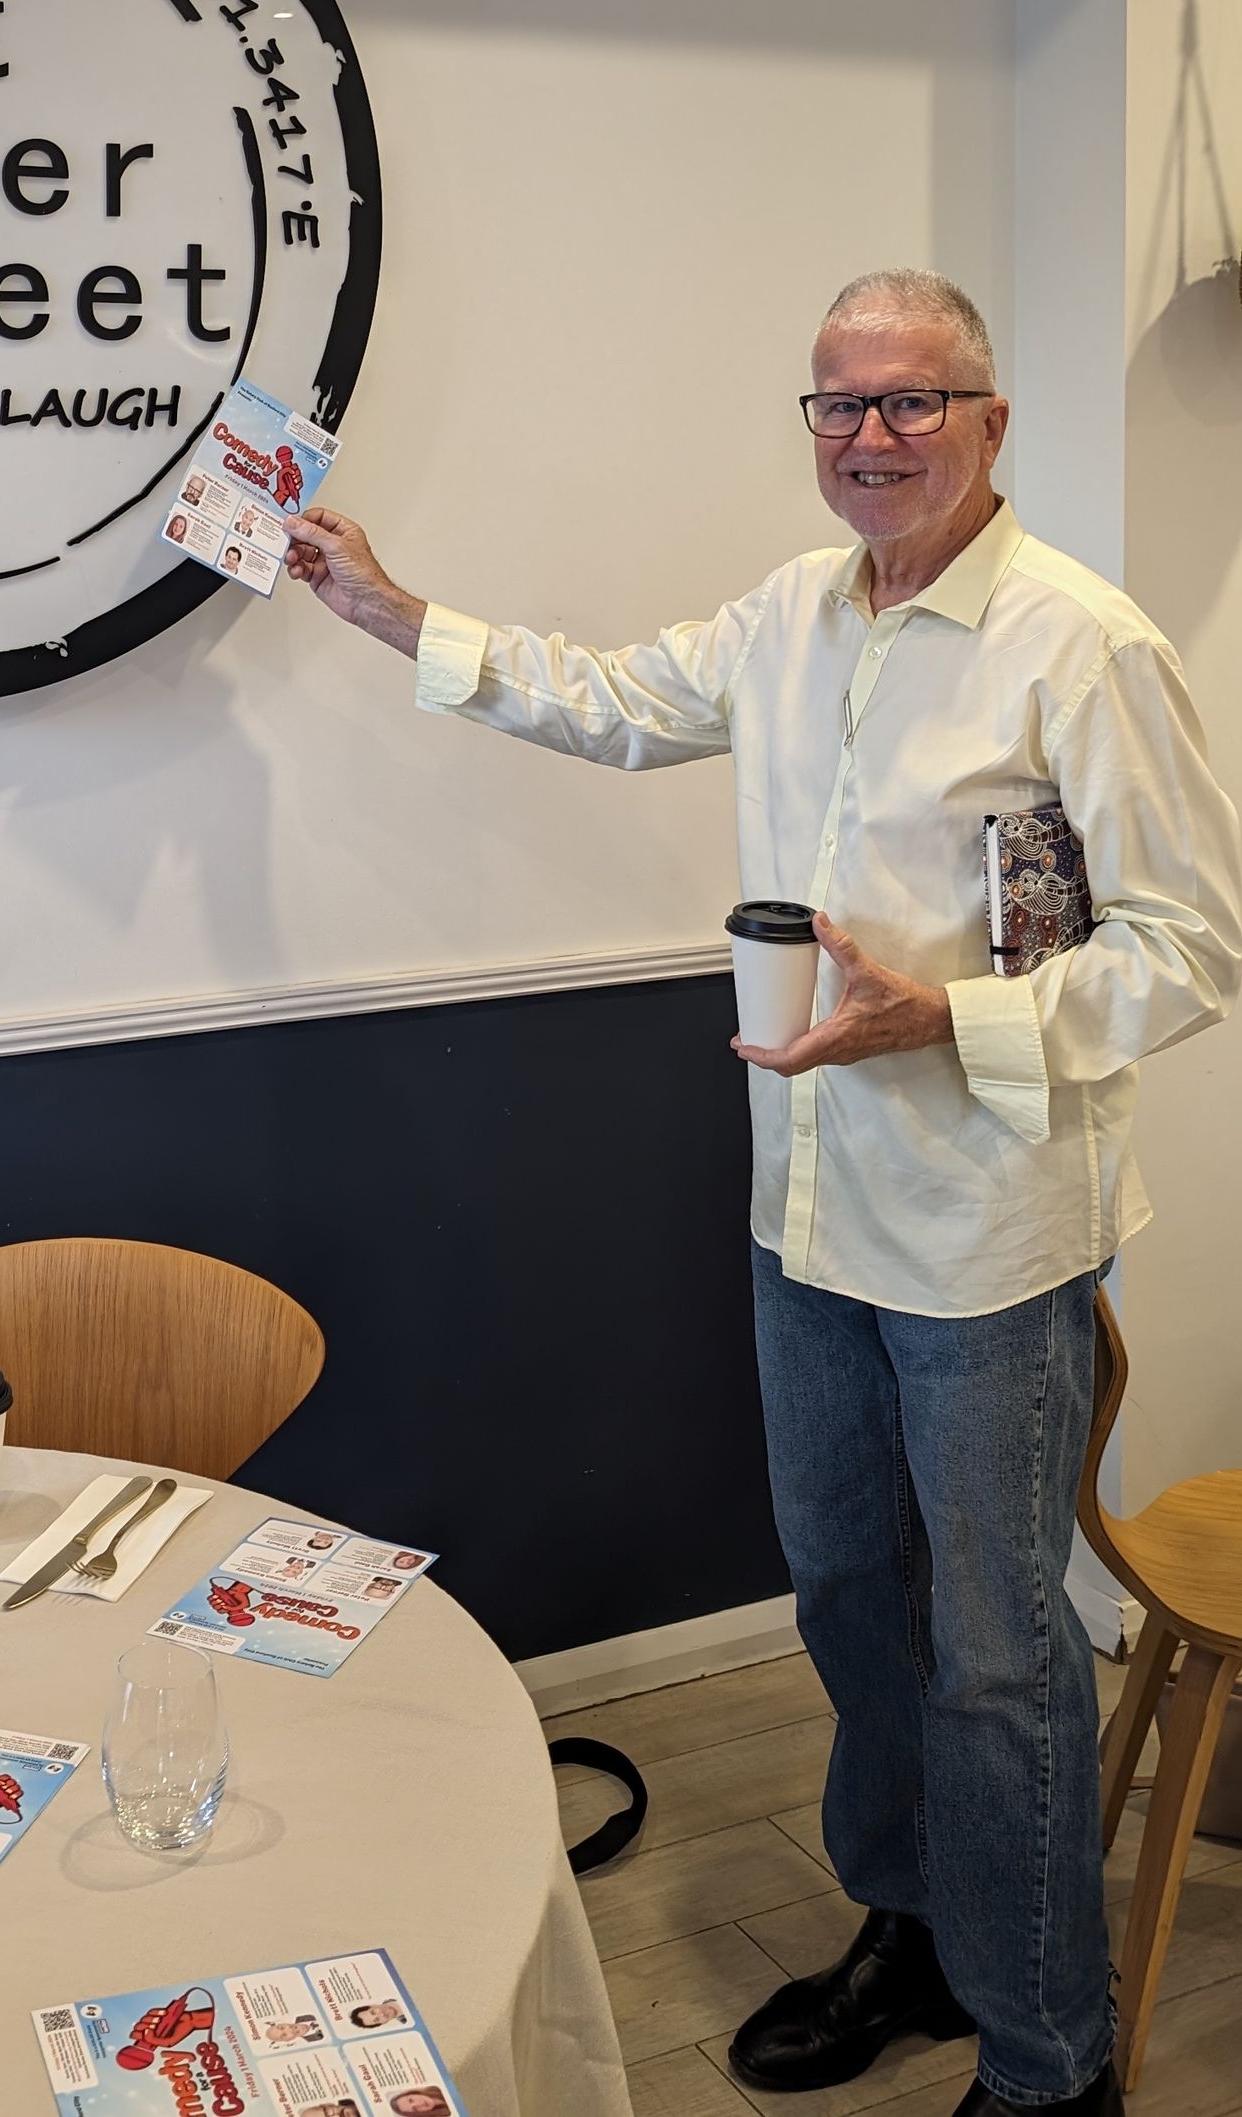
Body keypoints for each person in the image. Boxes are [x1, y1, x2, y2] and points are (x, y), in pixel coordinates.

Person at [286, 269, 1242, 2117]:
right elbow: (613, 698)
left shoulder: (1084, 642)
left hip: (985, 1234)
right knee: (844, 1597)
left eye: (913, 400)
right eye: (839, 404)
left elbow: (1194, 948)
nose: (872, 434)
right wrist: (388, 608)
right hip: (802, 1214)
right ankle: (916, 1924)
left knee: (994, 1658)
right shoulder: (794, 615)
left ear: (989, 420)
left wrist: (940, 1014)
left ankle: (1052, 2058)